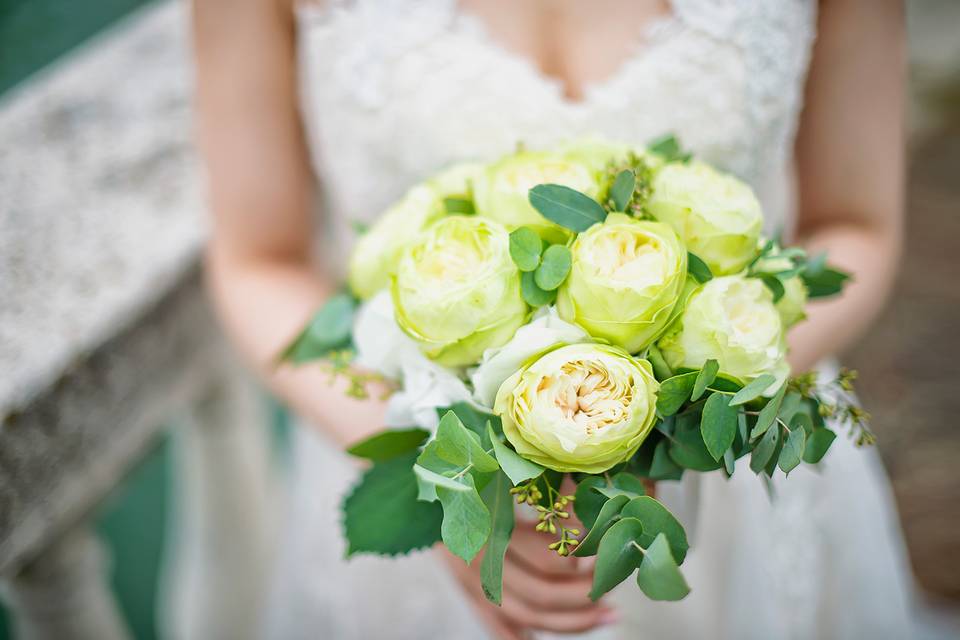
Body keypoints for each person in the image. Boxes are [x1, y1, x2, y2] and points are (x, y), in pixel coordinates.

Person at [193, 0, 913, 637]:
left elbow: (855, 224)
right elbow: (260, 261)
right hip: (420, 458)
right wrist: (446, 478)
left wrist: (674, 420)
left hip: (734, 471)